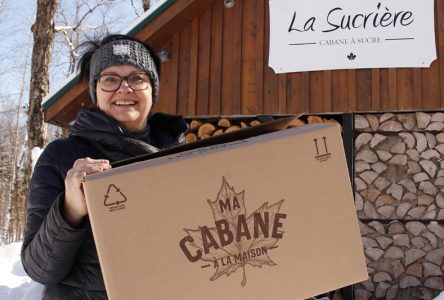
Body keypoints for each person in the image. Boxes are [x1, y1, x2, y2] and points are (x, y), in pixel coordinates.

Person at [21, 34, 188, 299]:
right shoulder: (62, 158)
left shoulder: (183, 157)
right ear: (95, 90)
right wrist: (70, 211)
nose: (125, 89)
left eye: (137, 78)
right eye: (110, 79)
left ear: (152, 88)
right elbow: (39, 269)